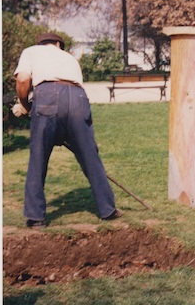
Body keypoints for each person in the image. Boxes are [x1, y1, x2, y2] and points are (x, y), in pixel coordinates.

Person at [13, 33, 122, 228]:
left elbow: (22, 80)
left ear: (41, 44)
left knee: (38, 157)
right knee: (90, 156)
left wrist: (24, 105)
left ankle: (36, 217)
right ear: (58, 45)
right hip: (78, 98)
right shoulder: (70, 58)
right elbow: (67, 89)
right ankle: (108, 209)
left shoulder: (31, 51)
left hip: (47, 96)